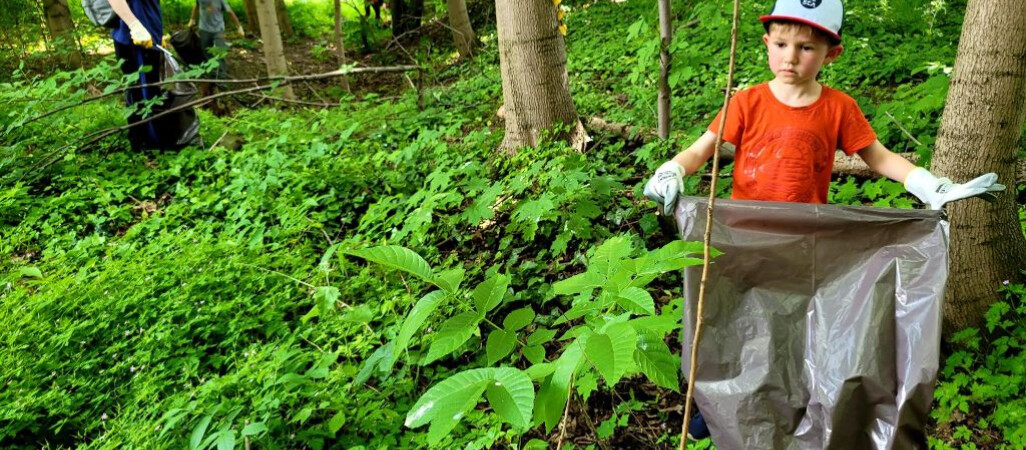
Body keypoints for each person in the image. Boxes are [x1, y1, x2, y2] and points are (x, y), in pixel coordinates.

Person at [642, 0, 1005, 441]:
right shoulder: (747, 102)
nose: (790, 57)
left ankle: (786, 400)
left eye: (806, 47)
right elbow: (702, 149)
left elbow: (879, 157)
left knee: (789, 324)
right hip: (744, 241)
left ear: (831, 53)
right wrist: (673, 170)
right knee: (731, 320)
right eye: (780, 44)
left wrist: (930, 185)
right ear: (766, 44)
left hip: (803, 243)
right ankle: (716, 403)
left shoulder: (837, 108)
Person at [108, 0, 165, 150]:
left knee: (152, 92)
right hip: (134, 39)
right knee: (141, 93)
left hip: (149, 38)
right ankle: (145, 148)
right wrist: (134, 25)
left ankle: (154, 143)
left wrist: (158, 33)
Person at [187, 0, 245, 80]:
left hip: (218, 30)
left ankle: (222, 75)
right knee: (206, 52)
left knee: (220, 52)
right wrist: (192, 19)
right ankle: (211, 73)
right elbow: (196, 6)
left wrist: (239, 26)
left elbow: (229, 11)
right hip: (204, 29)